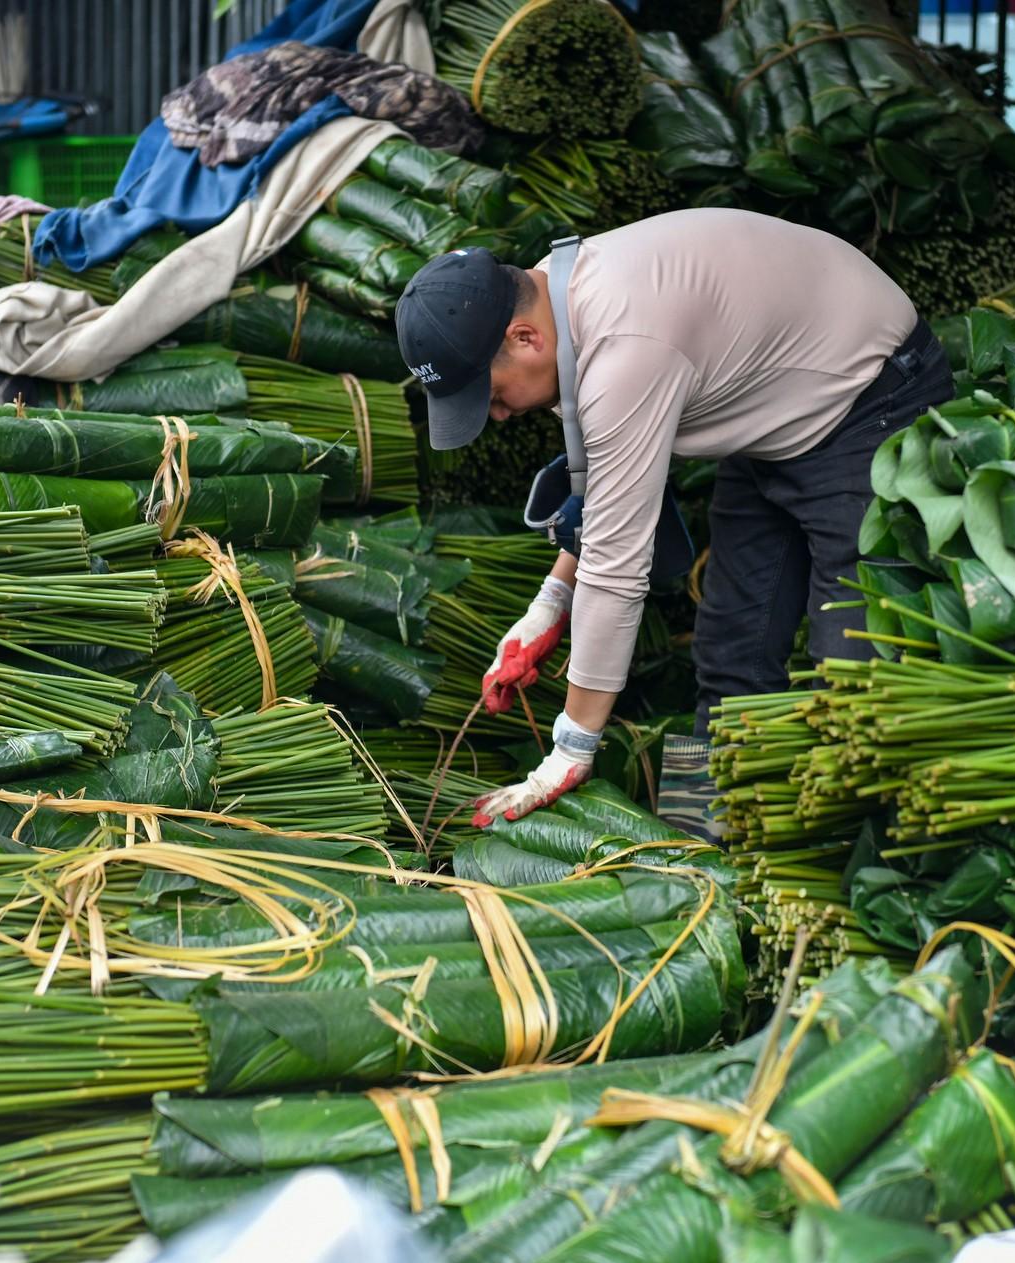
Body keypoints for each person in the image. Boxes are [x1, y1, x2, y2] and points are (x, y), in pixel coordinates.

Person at [395, 208, 954, 832]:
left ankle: (859, 886)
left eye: (492, 395)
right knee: (728, 653)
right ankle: (707, 856)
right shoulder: (554, 301)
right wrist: (549, 605)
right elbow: (609, 499)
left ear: (525, 339)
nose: (496, 415)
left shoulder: (623, 346)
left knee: (853, 669)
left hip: (869, 399)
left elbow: (616, 568)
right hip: (769, 412)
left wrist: (569, 751)